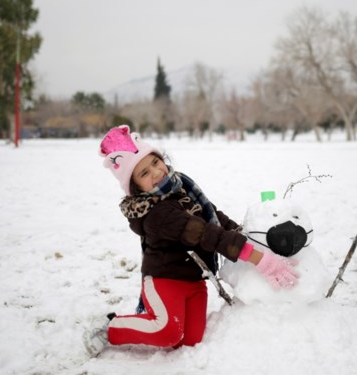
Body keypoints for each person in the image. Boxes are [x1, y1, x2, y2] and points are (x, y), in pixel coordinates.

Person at [83, 125, 299, 356]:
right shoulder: (158, 214)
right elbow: (205, 233)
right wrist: (258, 259)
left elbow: (214, 217)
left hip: (194, 281)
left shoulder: (182, 186)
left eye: (155, 163)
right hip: (165, 279)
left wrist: (248, 237)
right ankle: (110, 327)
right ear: (136, 189)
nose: (156, 173)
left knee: (189, 341)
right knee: (168, 333)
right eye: (144, 173)